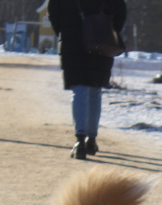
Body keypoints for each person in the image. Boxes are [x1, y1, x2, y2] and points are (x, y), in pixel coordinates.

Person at [48, 0, 127, 160]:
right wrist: (109, 29)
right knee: (95, 91)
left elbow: (53, 12)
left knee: (79, 90)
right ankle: (91, 139)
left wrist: (63, 31)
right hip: (101, 40)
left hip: (72, 42)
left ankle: (80, 140)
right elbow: (120, 12)